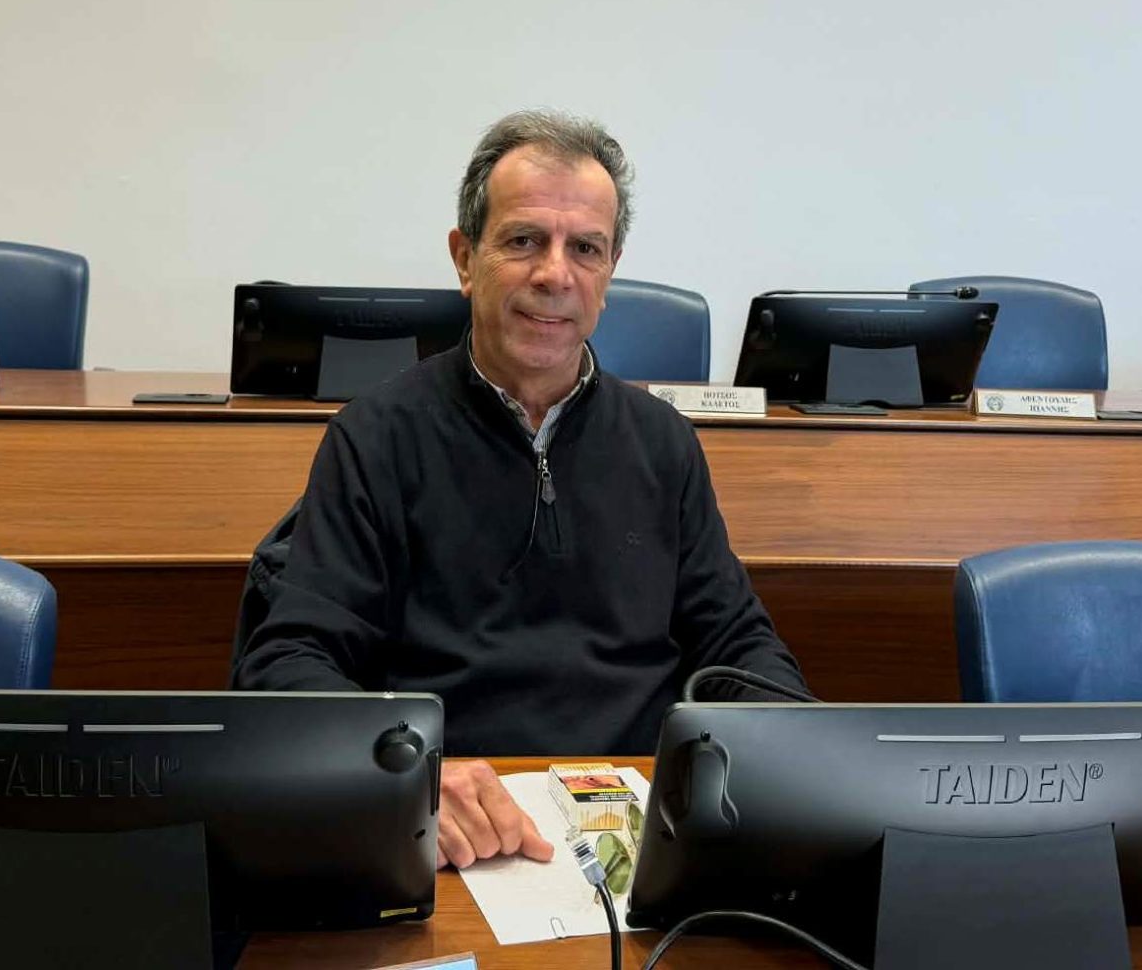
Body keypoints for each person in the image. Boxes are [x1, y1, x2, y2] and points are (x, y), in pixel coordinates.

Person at [233, 109, 807, 868]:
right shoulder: (376, 437)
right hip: (457, 826)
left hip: (637, 818)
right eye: (524, 240)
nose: (555, 275)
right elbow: (289, 660)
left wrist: (805, 750)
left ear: (610, 271)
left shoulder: (663, 441)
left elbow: (735, 644)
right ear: (465, 259)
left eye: (586, 248)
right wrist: (406, 773)